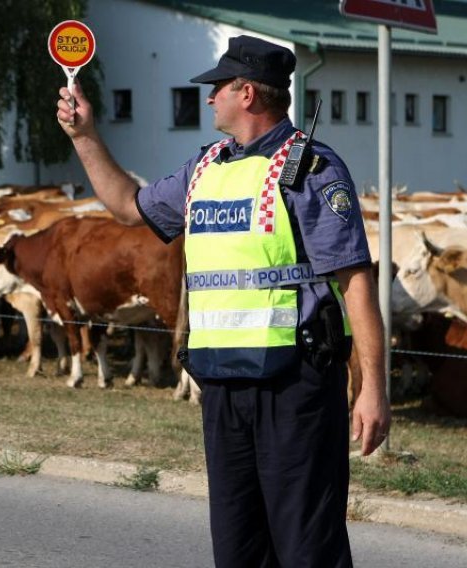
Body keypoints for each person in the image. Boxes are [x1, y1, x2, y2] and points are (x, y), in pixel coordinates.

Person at [56, 35, 391, 567]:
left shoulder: (311, 168)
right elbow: (125, 206)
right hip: (222, 387)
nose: (209, 98)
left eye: (217, 88)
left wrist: (373, 387)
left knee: (307, 548)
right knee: (238, 549)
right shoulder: (203, 169)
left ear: (248, 93)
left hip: (295, 387)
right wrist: (85, 136)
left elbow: (356, 283)